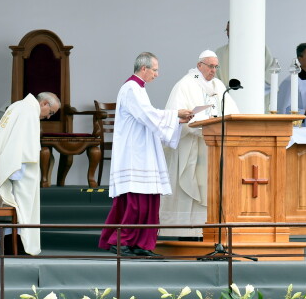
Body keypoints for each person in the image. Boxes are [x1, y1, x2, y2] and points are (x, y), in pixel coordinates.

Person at [98, 52, 193, 257]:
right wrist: (175, 114)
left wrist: (175, 121)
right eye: (155, 69)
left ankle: (141, 244)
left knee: (148, 201)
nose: (157, 74)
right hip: (134, 153)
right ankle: (122, 241)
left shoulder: (139, 89)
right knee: (135, 202)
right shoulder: (131, 88)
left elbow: (149, 115)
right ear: (144, 68)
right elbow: (146, 115)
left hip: (144, 151)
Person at [159, 50, 239, 239]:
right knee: (191, 188)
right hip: (192, 146)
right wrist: (198, 120)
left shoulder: (219, 85)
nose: (213, 70)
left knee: (210, 188)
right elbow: (175, 114)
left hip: (213, 148)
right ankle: (187, 233)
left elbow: (232, 112)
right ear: (199, 65)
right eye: (210, 66)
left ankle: (209, 231)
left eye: (216, 67)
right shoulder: (185, 85)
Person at [0, 92, 60, 255]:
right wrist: (18, 179)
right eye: (50, 113)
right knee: (21, 204)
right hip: (13, 171)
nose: (48, 118)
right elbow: (20, 148)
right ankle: (13, 243)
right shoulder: (28, 112)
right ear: (44, 104)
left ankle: (4, 241)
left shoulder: (18, 106)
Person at [215, 21, 275, 111]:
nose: (228, 33)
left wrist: (250, 90)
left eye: (232, 30)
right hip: (230, 104)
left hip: (256, 102)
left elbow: (270, 75)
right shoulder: (220, 53)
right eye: (227, 30)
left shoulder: (260, 48)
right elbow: (214, 81)